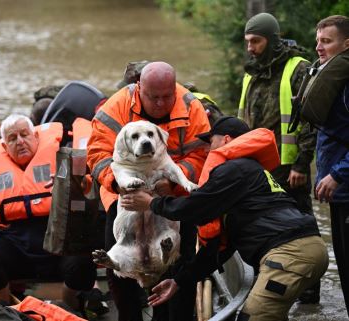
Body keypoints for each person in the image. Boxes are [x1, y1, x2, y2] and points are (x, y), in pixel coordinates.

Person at [121, 116, 329, 321]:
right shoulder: (253, 172)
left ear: (227, 140)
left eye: (211, 143)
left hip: (289, 254)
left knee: (252, 317)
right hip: (310, 248)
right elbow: (218, 250)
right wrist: (178, 281)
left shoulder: (235, 169)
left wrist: (151, 203)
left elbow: (195, 207)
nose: (207, 150)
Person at [87, 61, 210, 321]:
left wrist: (174, 183)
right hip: (125, 197)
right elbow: (97, 154)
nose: (160, 103)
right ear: (139, 87)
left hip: (174, 197)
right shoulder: (116, 107)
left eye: (167, 97)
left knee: (180, 264)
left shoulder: (191, 107)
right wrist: (118, 184)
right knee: (119, 269)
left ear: (175, 89)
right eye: (153, 97)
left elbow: (202, 154)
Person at [0, 114, 96, 313]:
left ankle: (71, 308)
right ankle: (7, 310)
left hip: (59, 244)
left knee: (83, 259)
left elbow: (91, 193)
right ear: (5, 147)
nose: (20, 141)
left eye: (24, 135)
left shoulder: (64, 161)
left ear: (36, 137)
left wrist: (72, 186)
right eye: (12, 138)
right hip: (18, 247)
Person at [238, 12, 320, 303]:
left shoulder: (298, 69)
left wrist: (301, 163)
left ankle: (309, 290)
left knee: (300, 224)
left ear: (271, 40)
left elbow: (311, 121)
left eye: (256, 41)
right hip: (257, 166)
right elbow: (243, 119)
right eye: (247, 41)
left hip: (289, 165)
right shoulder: (252, 72)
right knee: (262, 223)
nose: (250, 47)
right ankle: (270, 282)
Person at [313, 15, 349, 316]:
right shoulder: (334, 78)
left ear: (346, 43)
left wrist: (337, 174)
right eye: (318, 41)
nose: (319, 48)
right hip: (340, 192)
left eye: (327, 41)